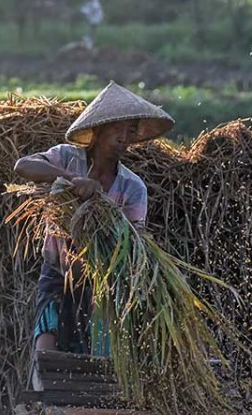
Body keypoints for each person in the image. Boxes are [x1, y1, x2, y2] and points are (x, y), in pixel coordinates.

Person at [13, 81, 175, 387]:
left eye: (132, 131)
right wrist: (73, 180)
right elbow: (24, 166)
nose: (125, 138)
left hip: (102, 283)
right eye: (121, 129)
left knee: (97, 359)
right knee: (47, 345)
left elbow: (133, 243)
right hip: (58, 272)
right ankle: (45, 400)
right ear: (100, 128)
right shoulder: (67, 158)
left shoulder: (131, 187)